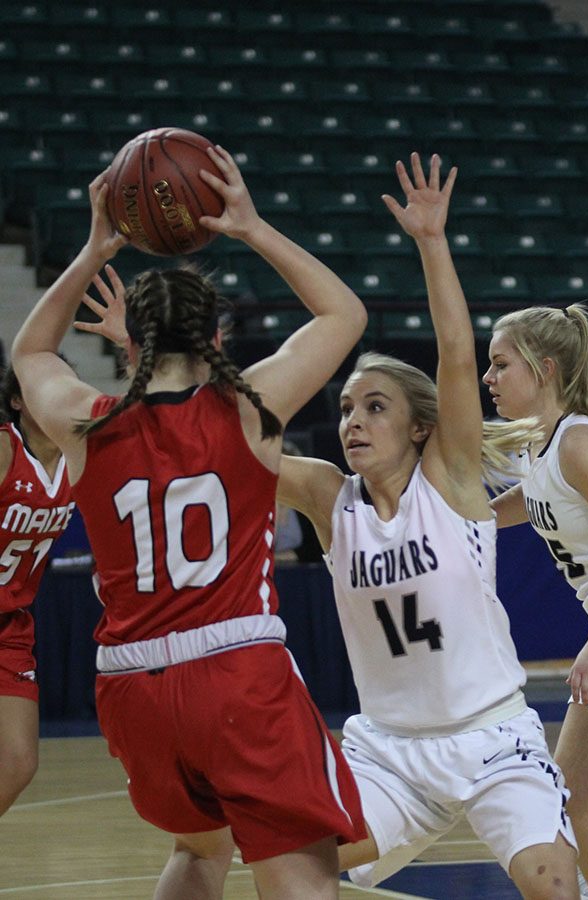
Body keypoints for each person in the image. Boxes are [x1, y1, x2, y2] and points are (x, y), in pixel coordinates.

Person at [11, 145, 368, 900]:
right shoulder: (250, 408)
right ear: (217, 339)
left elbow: (31, 351)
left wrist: (94, 244)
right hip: (236, 670)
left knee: (199, 849)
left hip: (132, 684)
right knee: (299, 874)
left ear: (130, 345)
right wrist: (251, 226)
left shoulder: (86, 423)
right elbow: (345, 313)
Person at [277, 152, 580, 898]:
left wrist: (432, 243)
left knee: (550, 881)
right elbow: (234, 445)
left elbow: (453, 352)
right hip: (389, 753)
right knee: (293, 868)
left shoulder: (450, 482)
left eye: (374, 406)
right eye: (346, 407)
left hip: (492, 739)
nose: (352, 420)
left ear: (420, 429)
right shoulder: (326, 497)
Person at [483, 304, 588, 899]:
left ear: (545, 369)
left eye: (500, 364)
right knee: (575, 794)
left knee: (575, 793)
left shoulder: (580, 442)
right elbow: (510, 506)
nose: (489, 377)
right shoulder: (541, 447)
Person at [0, 366, 72, 816]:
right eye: (39, 388)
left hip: (11, 625)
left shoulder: (79, 455)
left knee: (19, 762)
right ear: (17, 402)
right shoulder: (4, 448)